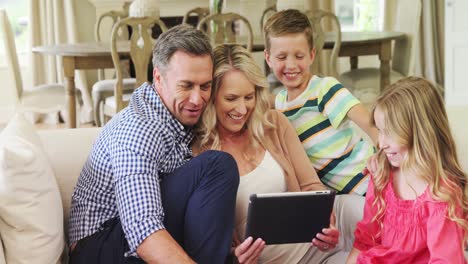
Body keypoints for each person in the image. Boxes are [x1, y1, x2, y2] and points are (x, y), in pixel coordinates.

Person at [68, 24, 240, 264]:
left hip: (133, 237)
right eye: (186, 85)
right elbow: (143, 230)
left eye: (205, 86)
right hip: (99, 247)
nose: (197, 98)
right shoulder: (139, 130)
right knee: (217, 165)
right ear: (158, 78)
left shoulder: (180, 116)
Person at [194, 44, 365, 264]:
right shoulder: (200, 154)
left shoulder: (273, 123)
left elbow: (311, 185)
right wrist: (235, 258)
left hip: (317, 242)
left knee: (391, 222)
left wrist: (326, 220)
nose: (242, 109)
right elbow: (209, 238)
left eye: (248, 97)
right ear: (212, 97)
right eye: (231, 98)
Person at [346, 77, 468, 264]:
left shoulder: (441, 195)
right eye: (380, 131)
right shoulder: (381, 174)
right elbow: (365, 240)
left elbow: (446, 260)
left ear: (419, 134)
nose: (381, 143)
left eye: (389, 132)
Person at [263, 9, 378, 196]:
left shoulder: (324, 89)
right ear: (268, 58)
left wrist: (383, 159)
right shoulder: (280, 103)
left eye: (299, 56)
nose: (291, 65)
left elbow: (371, 124)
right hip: (345, 195)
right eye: (282, 57)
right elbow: (261, 99)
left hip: (372, 180)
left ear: (311, 55)